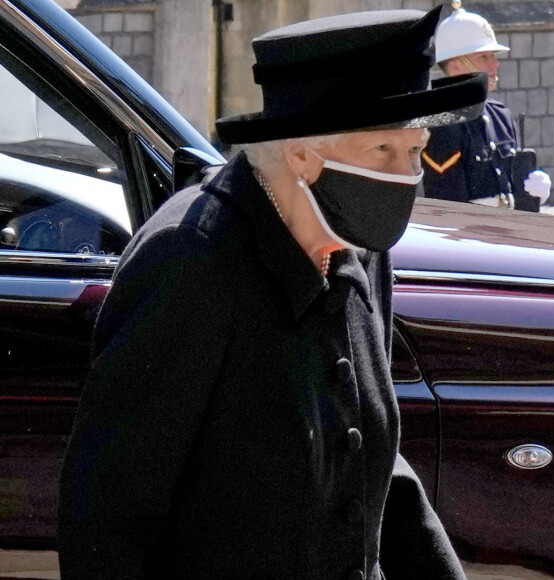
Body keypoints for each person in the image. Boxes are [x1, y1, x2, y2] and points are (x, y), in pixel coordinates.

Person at [57, 6, 487, 579]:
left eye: (415, 151)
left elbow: (369, 466)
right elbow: (107, 517)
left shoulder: (359, 250)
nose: (408, 175)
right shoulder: (192, 261)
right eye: (383, 150)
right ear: (303, 154)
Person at [422, 0, 551, 211]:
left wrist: (532, 192)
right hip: (469, 237)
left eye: (493, 56)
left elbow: (508, 185)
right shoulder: (441, 122)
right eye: (484, 56)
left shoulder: (500, 115)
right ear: (456, 64)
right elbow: (447, 205)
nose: (495, 63)